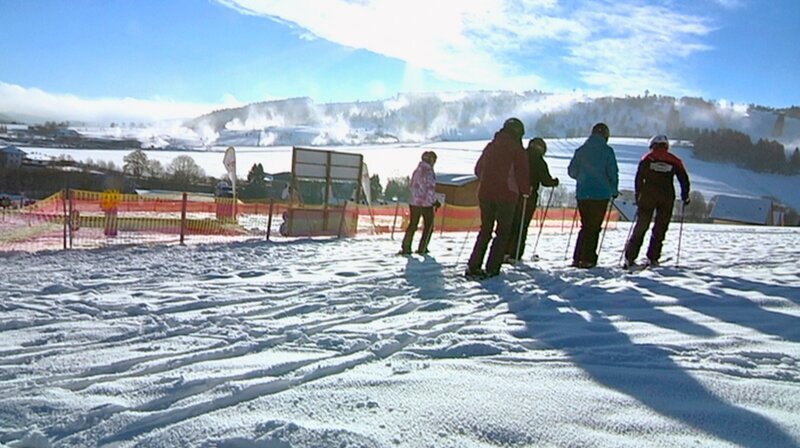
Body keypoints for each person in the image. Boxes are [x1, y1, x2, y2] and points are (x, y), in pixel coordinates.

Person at [465, 118, 530, 278]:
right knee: (502, 232)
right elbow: (522, 174)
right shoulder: (517, 150)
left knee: (485, 230)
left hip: (485, 193)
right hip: (507, 195)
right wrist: (525, 190)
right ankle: (492, 268)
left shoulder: (491, 146)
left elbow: (478, 169)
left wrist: (488, 181)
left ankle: (473, 265)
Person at [623, 134, 690, 267]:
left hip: (648, 196)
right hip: (667, 197)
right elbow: (684, 179)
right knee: (660, 228)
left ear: (652, 145)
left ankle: (630, 256)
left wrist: (638, 195)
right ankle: (653, 257)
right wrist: (685, 196)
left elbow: (639, 178)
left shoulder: (647, 158)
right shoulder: (674, 160)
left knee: (641, 226)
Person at [567, 122, 619, 268]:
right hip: (601, 194)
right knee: (594, 227)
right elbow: (612, 173)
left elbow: (571, 171)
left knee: (585, 225)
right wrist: (613, 190)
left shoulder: (581, 150)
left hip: (583, 194)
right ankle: (588, 258)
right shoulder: (608, 151)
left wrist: (582, 178)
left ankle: (577, 257)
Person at [506, 137, 560, 262]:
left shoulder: (520, 155)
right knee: (522, 225)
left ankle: (505, 251)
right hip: (529, 196)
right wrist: (554, 182)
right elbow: (545, 180)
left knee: (511, 223)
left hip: (513, 194)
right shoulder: (539, 161)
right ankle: (516, 253)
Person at [400, 151, 440, 255]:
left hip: (414, 202)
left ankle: (406, 246)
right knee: (428, 226)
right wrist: (434, 201)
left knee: (413, 224)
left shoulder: (417, 170)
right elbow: (430, 189)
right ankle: (423, 248)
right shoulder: (429, 172)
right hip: (426, 203)